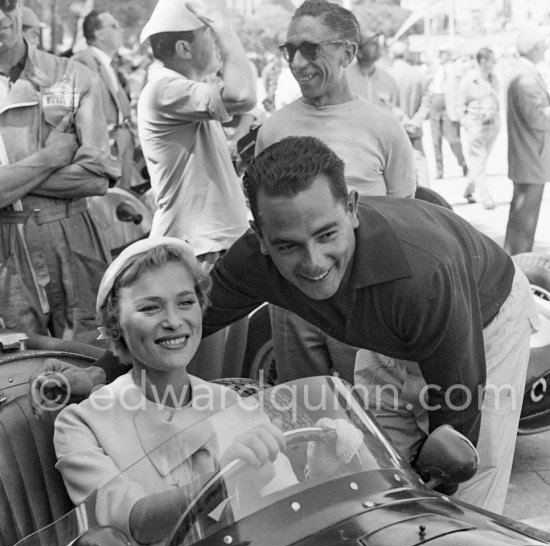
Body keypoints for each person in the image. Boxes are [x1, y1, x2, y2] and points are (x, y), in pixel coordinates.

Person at [37, 137, 539, 514]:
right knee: (379, 473)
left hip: (480, 319)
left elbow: (459, 411)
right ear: (259, 237)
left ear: (353, 209)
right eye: (288, 246)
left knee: (465, 493)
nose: (314, 262)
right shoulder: (251, 263)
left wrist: (442, 476)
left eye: (327, 234)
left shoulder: (424, 275)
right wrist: (102, 373)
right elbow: (180, 320)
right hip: (390, 329)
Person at [53, 236, 355, 546]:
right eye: (150, 307)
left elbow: (282, 515)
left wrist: (322, 473)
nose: (173, 320)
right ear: (115, 324)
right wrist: (221, 480)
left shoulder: (236, 404)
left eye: (185, 302)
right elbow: (130, 523)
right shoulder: (82, 423)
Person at [255, 0, 415, 384]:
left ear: (347, 52)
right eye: (289, 50)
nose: (296, 63)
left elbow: (404, 227)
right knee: (302, 407)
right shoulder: (273, 131)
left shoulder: (384, 128)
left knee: (371, 413)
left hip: (364, 305)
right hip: (292, 303)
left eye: (310, 49)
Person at [0, 0, 120, 341]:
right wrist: (52, 157)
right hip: (6, 255)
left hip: (74, 237)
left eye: (6, 3)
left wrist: (12, 178)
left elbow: (97, 178)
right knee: (18, 368)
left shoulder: (74, 77)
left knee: (93, 356)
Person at [137, 0, 255, 262]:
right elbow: (244, 95)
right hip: (201, 249)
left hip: (210, 243)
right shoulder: (165, 90)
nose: (215, 40)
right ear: (184, 48)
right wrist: (224, 26)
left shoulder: (178, 89)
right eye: (208, 33)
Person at [73, 11, 135, 190]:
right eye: (114, 26)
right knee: (107, 209)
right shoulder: (83, 61)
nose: (120, 30)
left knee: (122, 206)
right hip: (104, 148)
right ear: (99, 34)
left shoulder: (109, 64)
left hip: (121, 144)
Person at [504, 29, 550, 256]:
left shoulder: (523, 73)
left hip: (529, 155)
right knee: (524, 224)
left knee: (522, 221)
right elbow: (537, 118)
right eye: (543, 45)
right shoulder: (526, 77)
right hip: (531, 156)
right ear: (535, 48)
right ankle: (518, 273)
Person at [459, 47, 500, 209]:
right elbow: (460, 104)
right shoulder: (469, 80)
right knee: (479, 162)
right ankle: (486, 196)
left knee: (480, 162)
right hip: (476, 125)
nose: (494, 64)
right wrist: (465, 121)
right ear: (483, 61)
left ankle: (469, 189)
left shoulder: (494, 78)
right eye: (492, 61)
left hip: (492, 125)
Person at [388, 40, 431, 187]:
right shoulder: (419, 75)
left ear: (391, 55)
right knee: (421, 170)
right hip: (415, 131)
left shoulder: (387, 76)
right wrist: (416, 121)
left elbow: (389, 104)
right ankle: (428, 201)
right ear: (406, 55)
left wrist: (404, 121)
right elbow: (427, 101)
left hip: (395, 132)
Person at [428, 45, 468, 180]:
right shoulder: (434, 68)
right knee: (435, 141)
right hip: (435, 104)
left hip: (449, 105)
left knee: (453, 140)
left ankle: (462, 161)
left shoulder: (457, 69)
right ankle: (439, 170)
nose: (442, 56)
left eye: (444, 53)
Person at [346, 30, 398, 110]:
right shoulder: (344, 79)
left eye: (377, 42)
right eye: (372, 43)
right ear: (358, 52)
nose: (377, 45)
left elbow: (394, 113)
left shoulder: (388, 80)